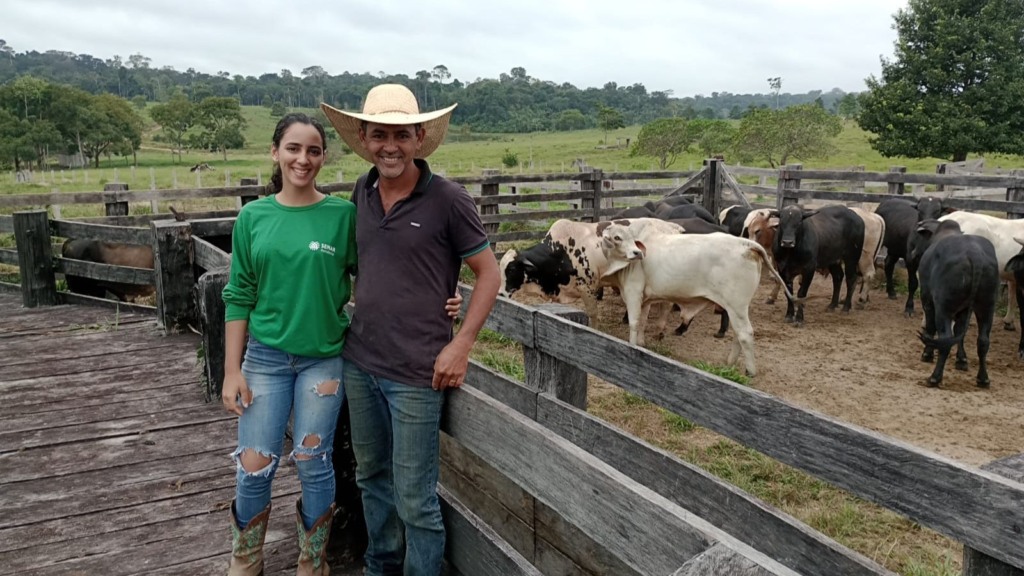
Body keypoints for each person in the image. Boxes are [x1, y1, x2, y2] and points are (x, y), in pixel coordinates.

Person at [219, 112, 461, 576]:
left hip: (324, 359)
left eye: (313, 150)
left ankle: (314, 562)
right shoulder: (253, 217)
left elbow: (382, 265)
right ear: (275, 152)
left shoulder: (342, 215)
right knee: (254, 465)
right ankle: (245, 561)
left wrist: (442, 298)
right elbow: (238, 293)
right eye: (292, 148)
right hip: (265, 358)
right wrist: (233, 369)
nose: (302, 159)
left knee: (313, 459)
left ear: (324, 157)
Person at [321, 85, 501, 576]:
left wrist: (461, 343)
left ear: (420, 137)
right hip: (360, 362)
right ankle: (381, 566)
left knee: (415, 495)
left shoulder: (447, 199)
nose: (390, 146)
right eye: (379, 135)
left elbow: (490, 273)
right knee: (372, 477)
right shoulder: (360, 192)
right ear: (363, 137)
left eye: (401, 135)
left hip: (419, 371)